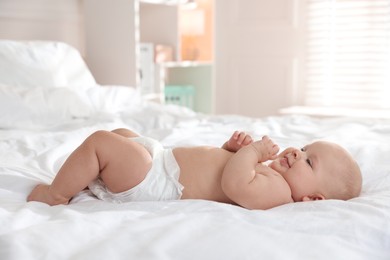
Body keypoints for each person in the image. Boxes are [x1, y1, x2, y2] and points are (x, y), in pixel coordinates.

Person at [27, 128, 362, 210]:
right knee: (122, 135)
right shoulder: (270, 172)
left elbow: (234, 185)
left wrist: (253, 151)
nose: (296, 152)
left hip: (157, 181)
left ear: (314, 199)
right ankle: (86, 177)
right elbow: (221, 168)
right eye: (304, 148)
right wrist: (230, 150)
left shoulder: (280, 193)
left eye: (308, 161)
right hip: (162, 159)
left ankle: (56, 194)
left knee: (102, 142)